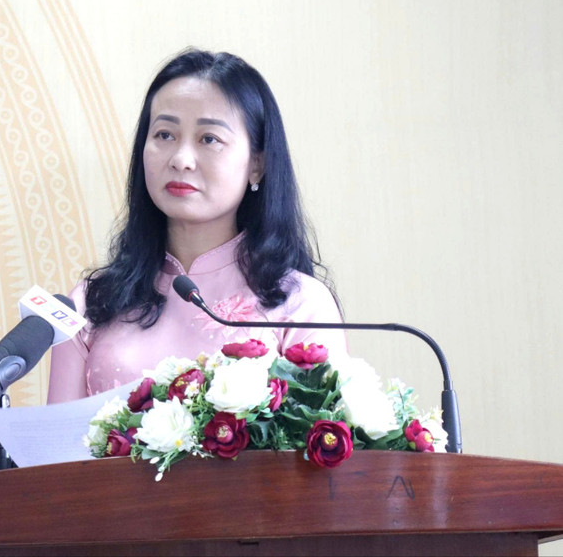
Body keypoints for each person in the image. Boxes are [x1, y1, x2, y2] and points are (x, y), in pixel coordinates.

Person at [47, 49, 345, 403]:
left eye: (209, 139)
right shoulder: (90, 304)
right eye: (164, 135)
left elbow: (320, 433)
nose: (181, 159)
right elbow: (57, 439)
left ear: (257, 165)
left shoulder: (299, 304)